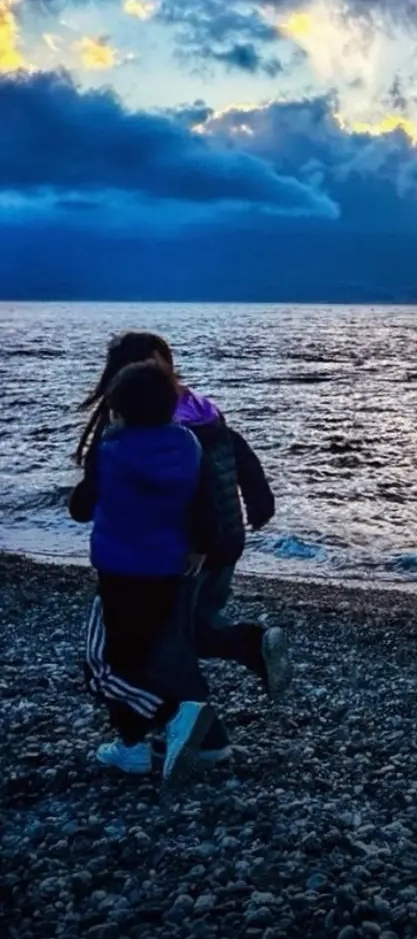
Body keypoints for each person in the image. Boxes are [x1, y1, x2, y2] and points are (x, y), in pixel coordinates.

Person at [75, 332, 294, 766]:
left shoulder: (134, 428)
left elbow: (93, 499)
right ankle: (250, 644)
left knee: (168, 649)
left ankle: (205, 738)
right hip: (221, 541)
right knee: (191, 629)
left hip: (176, 555)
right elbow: (237, 458)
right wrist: (258, 500)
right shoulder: (199, 411)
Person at [69, 360, 221, 784]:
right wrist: (201, 547)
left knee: (102, 668)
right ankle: (132, 746)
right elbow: (205, 507)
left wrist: (83, 495)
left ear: (118, 408)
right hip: (170, 571)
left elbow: (81, 509)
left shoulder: (110, 449)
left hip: (119, 574)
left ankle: (174, 714)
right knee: (139, 656)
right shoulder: (189, 445)